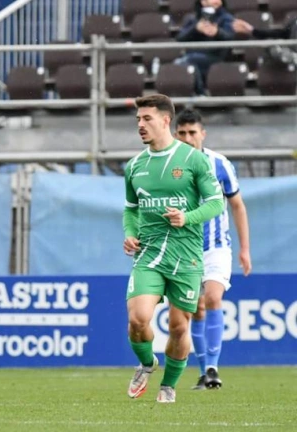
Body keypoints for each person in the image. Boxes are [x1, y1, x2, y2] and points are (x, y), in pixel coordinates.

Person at [123, 94, 224, 403]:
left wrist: (187, 217)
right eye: (138, 119)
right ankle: (146, 363)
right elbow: (130, 209)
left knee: (179, 327)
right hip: (149, 253)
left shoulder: (194, 159)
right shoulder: (134, 165)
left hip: (186, 255)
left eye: (147, 118)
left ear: (165, 120)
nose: (140, 125)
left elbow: (216, 203)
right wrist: (130, 234)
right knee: (138, 319)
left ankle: (168, 386)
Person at [174, 109, 252, 390]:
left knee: (213, 298)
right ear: (175, 135)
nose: (187, 138)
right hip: (185, 248)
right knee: (196, 309)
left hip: (216, 246)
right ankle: (202, 371)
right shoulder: (169, 167)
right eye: (182, 133)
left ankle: (212, 368)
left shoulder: (219, 164)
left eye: (192, 132)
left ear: (202, 134)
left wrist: (245, 249)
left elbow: (237, 205)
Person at [174, 0, 235, 95]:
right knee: (185, 63)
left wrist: (217, 32)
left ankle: (200, 93)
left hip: (216, 56)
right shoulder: (192, 18)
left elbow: (231, 38)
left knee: (185, 62)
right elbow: (180, 38)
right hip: (192, 56)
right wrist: (196, 29)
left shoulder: (227, 18)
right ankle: (199, 94)